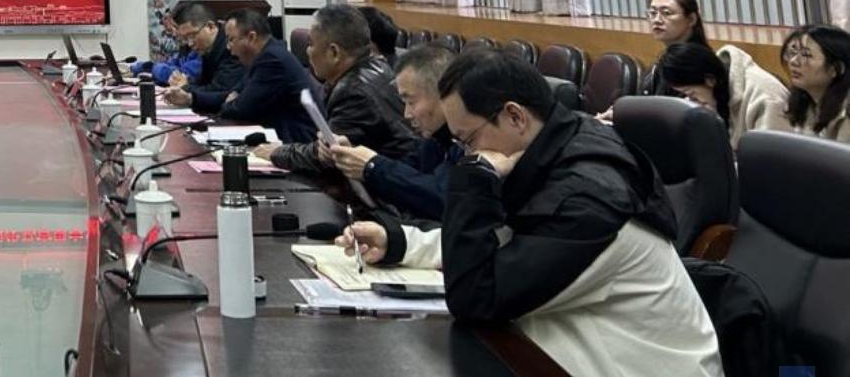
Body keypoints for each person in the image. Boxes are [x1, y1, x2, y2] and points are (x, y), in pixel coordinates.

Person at [336, 51, 722, 377]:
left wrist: (475, 177)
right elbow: (511, 244)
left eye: (467, 140)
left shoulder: (589, 199)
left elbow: (475, 298)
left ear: (515, 117)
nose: (467, 153)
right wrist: (403, 242)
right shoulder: (554, 150)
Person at [261, 4, 416, 173]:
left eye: (311, 44)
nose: (307, 51)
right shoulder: (380, 66)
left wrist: (276, 153)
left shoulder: (353, 93)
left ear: (334, 52)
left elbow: (328, 156)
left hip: (392, 184)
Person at [330, 44, 461, 221]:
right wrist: (354, 159)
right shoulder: (435, 138)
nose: (407, 114)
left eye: (411, 102)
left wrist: (373, 167)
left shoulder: (467, 141)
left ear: (443, 95)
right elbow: (407, 175)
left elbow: (442, 200)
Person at [164, 8, 315, 144]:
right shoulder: (262, 56)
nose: (228, 47)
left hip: (295, 144)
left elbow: (240, 109)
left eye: (231, 40)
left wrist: (232, 101)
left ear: (251, 37)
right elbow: (230, 95)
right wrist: (191, 98)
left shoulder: (272, 60)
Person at [655, 42, 788, 148]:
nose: (690, 101)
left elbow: (771, 160)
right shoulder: (710, 91)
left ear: (710, 80)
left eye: (692, 95)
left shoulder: (766, 97)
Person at [782, 24, 850, 141]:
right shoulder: (801, 101)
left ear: (836, 68)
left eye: (806, 55)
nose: (793, 61)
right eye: (792, 53)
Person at [641, 0, 710, 95]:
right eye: (653, 13)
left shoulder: (698, 65)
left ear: (691, 19)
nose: (657, 20)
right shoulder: (662, 62)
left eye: (666, 13)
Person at [165, 1, 243, 93]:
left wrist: (186, 87)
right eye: (185, 38)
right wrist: (185, 82)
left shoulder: (232, 48)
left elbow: (219, 92)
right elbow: (204, 84)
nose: (190, 44)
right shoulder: (207, 48)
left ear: (210, 26)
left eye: (192, 36)